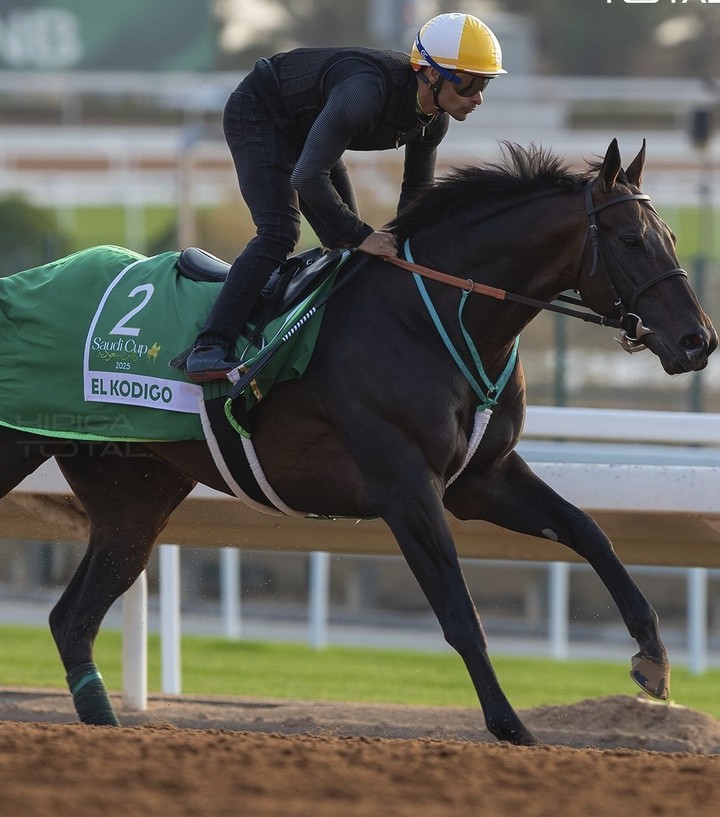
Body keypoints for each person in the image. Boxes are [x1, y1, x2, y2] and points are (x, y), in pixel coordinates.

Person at [176, 12, 506, 382]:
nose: (477, 97)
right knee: (281, 230)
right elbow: (306, 178)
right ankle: (210, 346)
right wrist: (366, 235)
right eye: (467, 83)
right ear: (431, 73)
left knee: (347, 249)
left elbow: (417, 193)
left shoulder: (434, 119)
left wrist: (416, 252)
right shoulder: (364, 94)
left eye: (485, 85)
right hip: (261, 112)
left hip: (308, 123)